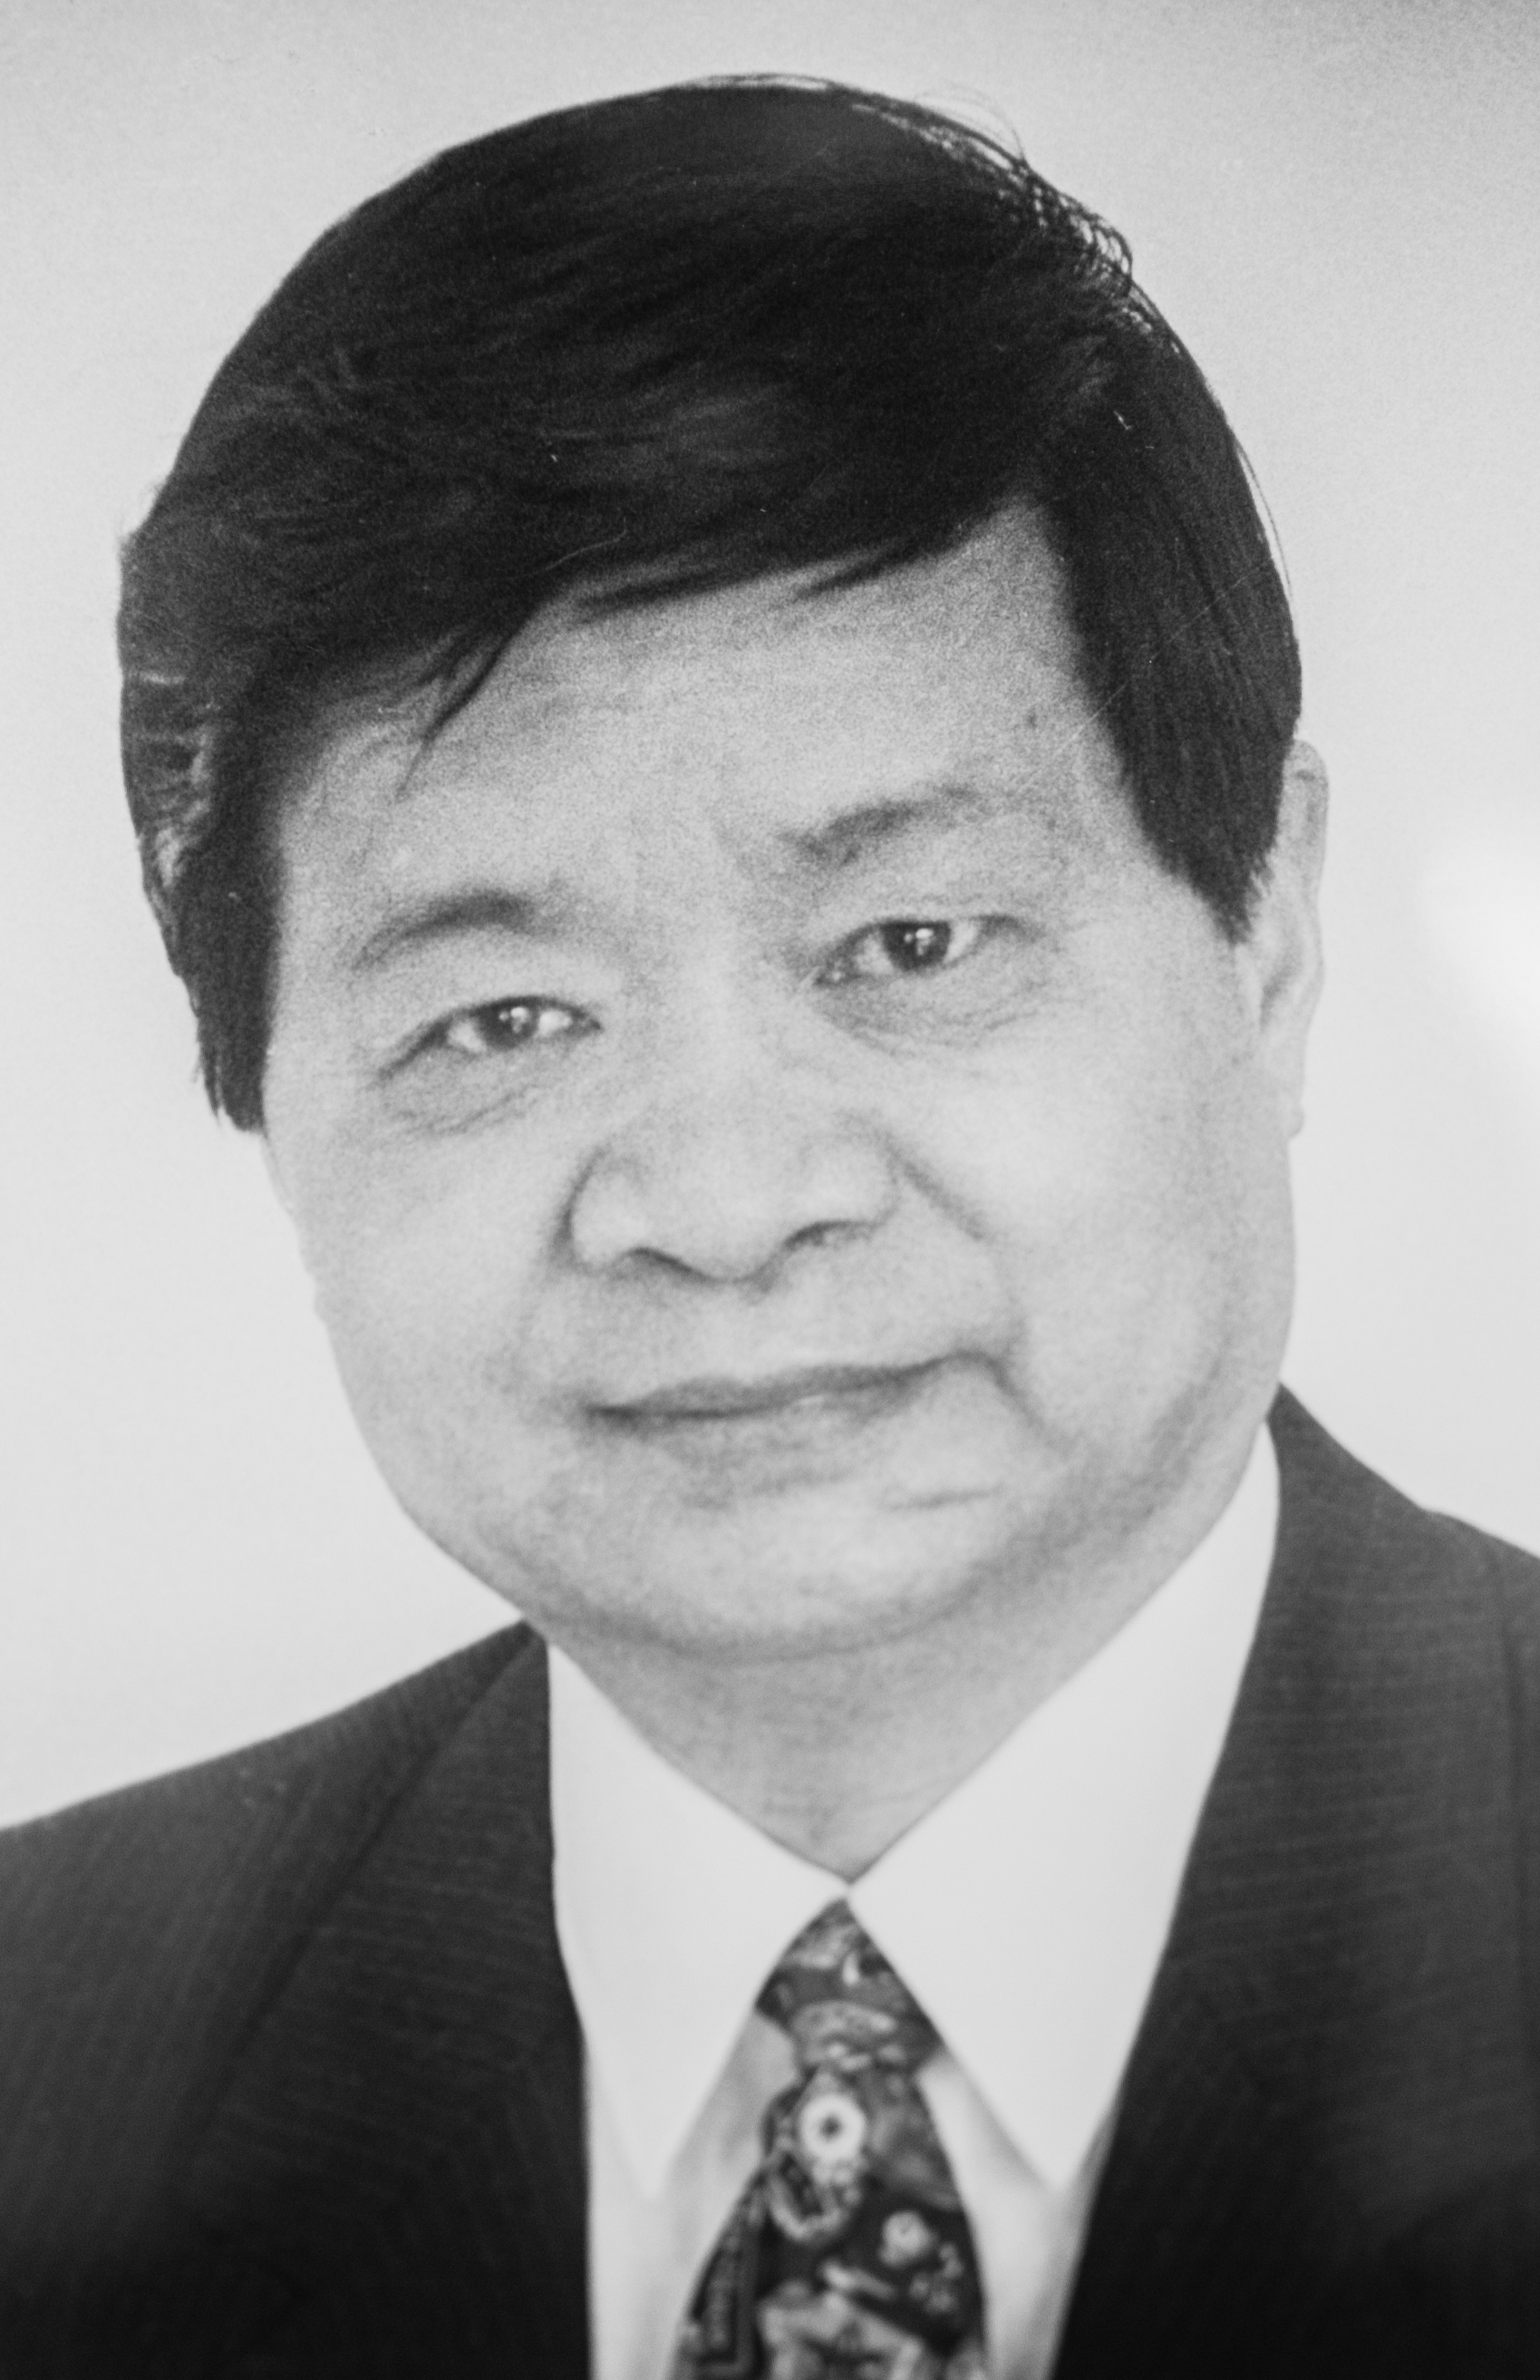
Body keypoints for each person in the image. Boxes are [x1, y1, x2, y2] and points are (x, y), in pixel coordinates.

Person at [1, 73, 1535, 2380]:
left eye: (909, 942)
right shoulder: (44, 2047)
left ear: (1268, 940)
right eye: (502, 1015)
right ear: (267, 1097)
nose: (723, 1204)